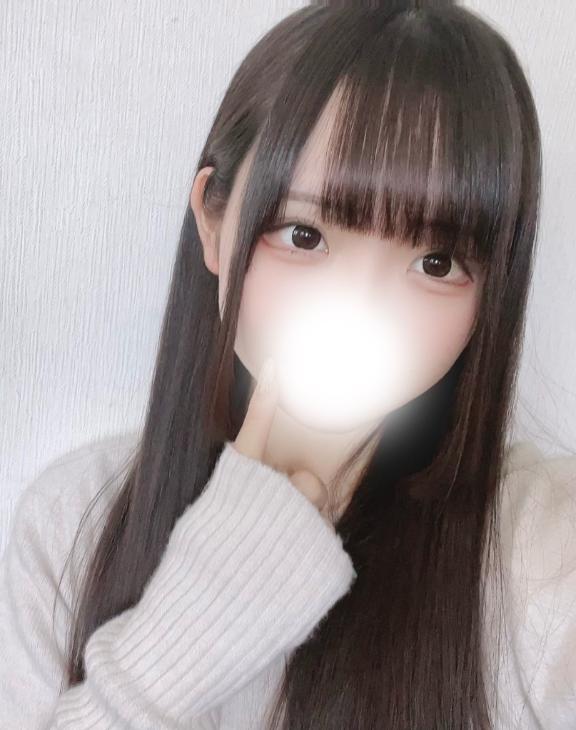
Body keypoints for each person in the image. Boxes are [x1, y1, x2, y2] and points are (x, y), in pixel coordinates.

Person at [1, 1, 575, 728]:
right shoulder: (75, 525)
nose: (360, 310)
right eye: (304, 235)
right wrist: (195, 623)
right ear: (214, 220)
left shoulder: (548, 551)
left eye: (437, 262)